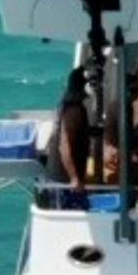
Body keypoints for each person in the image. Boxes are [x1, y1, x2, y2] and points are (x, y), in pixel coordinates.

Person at [44, 67, 91, 209]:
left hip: (57, 176)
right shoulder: (73, 112)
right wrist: (74, 178)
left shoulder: (63, 106)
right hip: (64, 179)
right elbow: (65, 147)